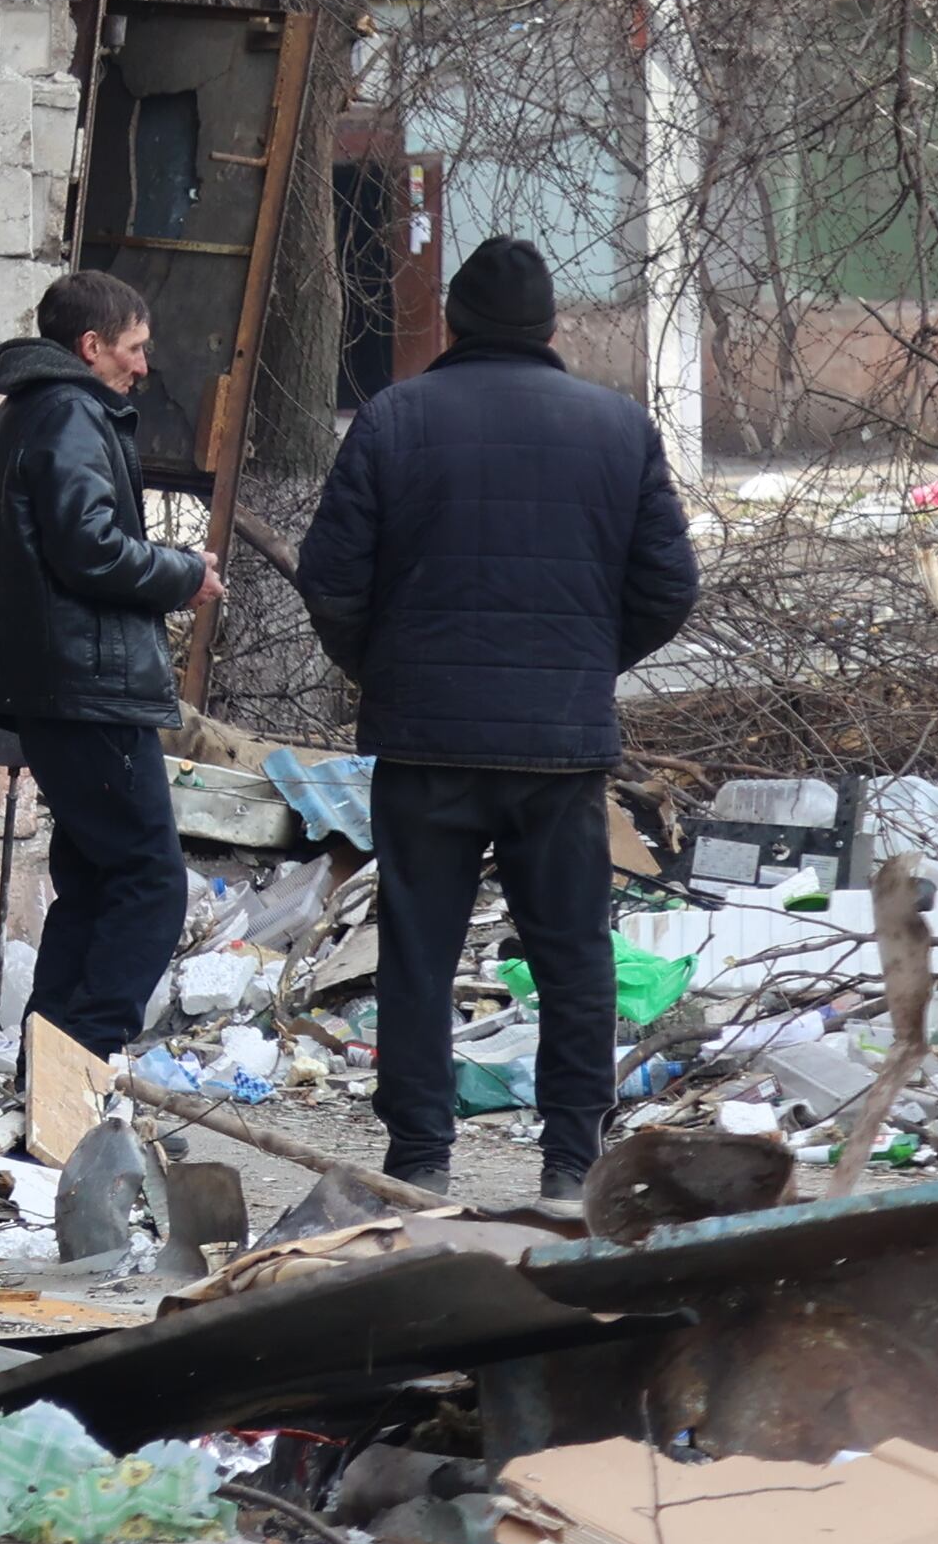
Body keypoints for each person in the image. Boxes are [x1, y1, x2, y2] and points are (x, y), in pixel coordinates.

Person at [294, 236, 698, 1212]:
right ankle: (569, 1164)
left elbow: (329, 580)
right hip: (556, 751)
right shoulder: (616, 427)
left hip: (424, 743)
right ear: (550, 326)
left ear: (455, 323)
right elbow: (666, 588)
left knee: (417, 954)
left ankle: (418, 1160)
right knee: (569, 955)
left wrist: (383, 674)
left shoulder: (393, 420)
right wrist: (579, 668)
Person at [0, 269, 217, 1063]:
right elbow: (88, 547)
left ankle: (49, 1084)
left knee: (97, 887)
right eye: (133, 348)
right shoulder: (68, 412)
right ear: (90, 346)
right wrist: (182, 572)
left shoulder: (35, 408)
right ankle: (80, 1068)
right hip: (88, 690)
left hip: (61, 689)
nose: (142, 365)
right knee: (149, 888)